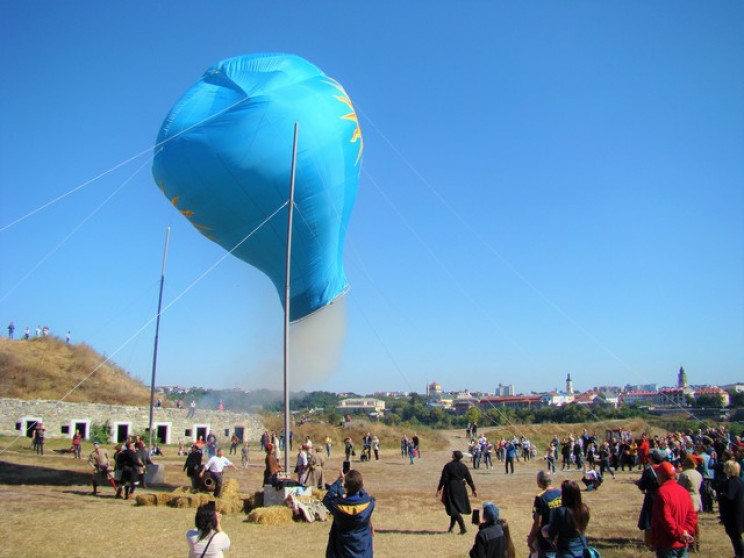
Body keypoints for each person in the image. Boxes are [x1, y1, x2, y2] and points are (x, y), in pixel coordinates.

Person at [323, 469, 375, 557]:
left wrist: (338, 481)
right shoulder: (369, 504)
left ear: (345, 486)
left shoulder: (338, 506)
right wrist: (357, 484)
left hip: (342, 552)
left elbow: (327, 499)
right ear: (362, 485)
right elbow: (365, 495)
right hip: (363, 551)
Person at [650, 460, 697, 558]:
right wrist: (686, 531)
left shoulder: (661, 493)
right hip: (683, 541)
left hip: (667, 542)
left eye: (657, 474)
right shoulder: (683, 490)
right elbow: (692, 515)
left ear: (661, 476)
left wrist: (680, 533)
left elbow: (666, 519)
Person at [541, 480, 590, 558]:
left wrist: (544, 530)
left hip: (566, 551)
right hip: (582, 549)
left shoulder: (561, 512)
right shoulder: (584, 509)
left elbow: (551, 533)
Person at [437, 450, 478, 535]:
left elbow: (444, 478)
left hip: (451, 488)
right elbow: (469, 478)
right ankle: (451, 528)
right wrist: (473, 489)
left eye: (452, 454)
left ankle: (463, 527)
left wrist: (439, 488)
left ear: (455, 456)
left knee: (453, 509)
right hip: (461, 488)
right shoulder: (463, 466)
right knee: (454, 509)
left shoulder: (448, 466)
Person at [527, 470, 562, 558]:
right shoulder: (560, 493)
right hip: (559, 537)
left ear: (540, 481)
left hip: (545, 539)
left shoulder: (540, 497)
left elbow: (538, 523)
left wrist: (530, 539)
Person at [637, 447, 667, 547]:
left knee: (648, 520)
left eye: (649, 457)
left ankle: (649, 542)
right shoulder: (664, 469)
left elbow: (642, 486)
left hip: (650, 497)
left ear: (653, 458)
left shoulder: (648, 471)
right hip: (663, 496)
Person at [719, 460, 744, 558]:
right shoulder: (740, 480)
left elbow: (730, 496)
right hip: (739, 510)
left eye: (725, 467)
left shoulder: (731, 482)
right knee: (736, 535)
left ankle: (740, 554)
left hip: (733, 513)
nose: (723, 468)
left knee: (735, 536)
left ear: (729, 469)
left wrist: (721, 495)